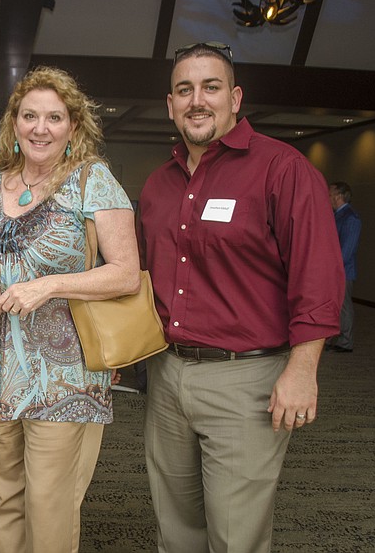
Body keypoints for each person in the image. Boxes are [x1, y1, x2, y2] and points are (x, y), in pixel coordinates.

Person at [137, 41, 344, 553]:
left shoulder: (282, 169)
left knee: (235, 535)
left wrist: (303, 370)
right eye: (185, 90)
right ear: (170, 104)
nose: (197, 100)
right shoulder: (159, 185)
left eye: (210, 87)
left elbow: (317, 276)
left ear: (235, 98)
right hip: (166, 376)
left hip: (247, 381)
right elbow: (142, 276)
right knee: (174, 525)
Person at [0, 66, 140, 553]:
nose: (40, 128)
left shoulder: (92, 182)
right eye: (30, 116)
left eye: (54, 117)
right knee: (0, 497)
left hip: (64, 377)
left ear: (73, 127)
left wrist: (51, 285)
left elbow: (125, 272)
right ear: (14, 124)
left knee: (48, 502)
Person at [328, 182, 361, 353]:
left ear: (339, 196)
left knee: (343, 306)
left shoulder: (350, 218)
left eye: (330, 194)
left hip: (343, 271)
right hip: (334, 270)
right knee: (332, 305)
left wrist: (334, 270)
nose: (328, 198)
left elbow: (347, 250)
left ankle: (345, 342)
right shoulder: (337, 216)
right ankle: (331, 337)